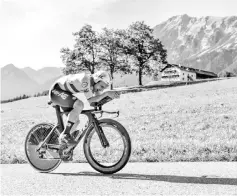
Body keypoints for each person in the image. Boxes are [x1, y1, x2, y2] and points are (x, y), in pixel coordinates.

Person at [49, 70, 120, 148]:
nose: (101, 90)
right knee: (79, 105)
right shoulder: (85, 81)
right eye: (101, 87)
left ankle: (61, 147)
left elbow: (95, 102)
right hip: (56, 90)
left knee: (75, 122)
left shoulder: (93, 84)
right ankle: (65, 135)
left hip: (64, 93)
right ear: (96, 80)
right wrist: (106, 93)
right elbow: (91, 101)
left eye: (104, 88)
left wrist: (110, 97)